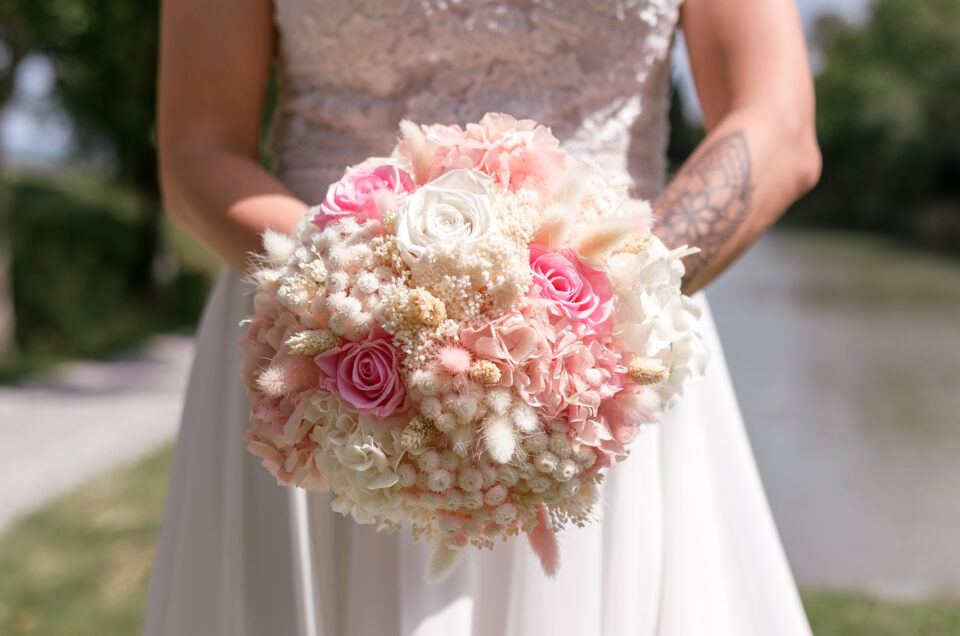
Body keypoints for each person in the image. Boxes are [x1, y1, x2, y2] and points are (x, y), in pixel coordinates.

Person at [145, 0, 821, 634]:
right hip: (319, 353)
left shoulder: (598, 335)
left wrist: (591, 313)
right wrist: (364, 298)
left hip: (600, 376)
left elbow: (778, 125)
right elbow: (198, 150)